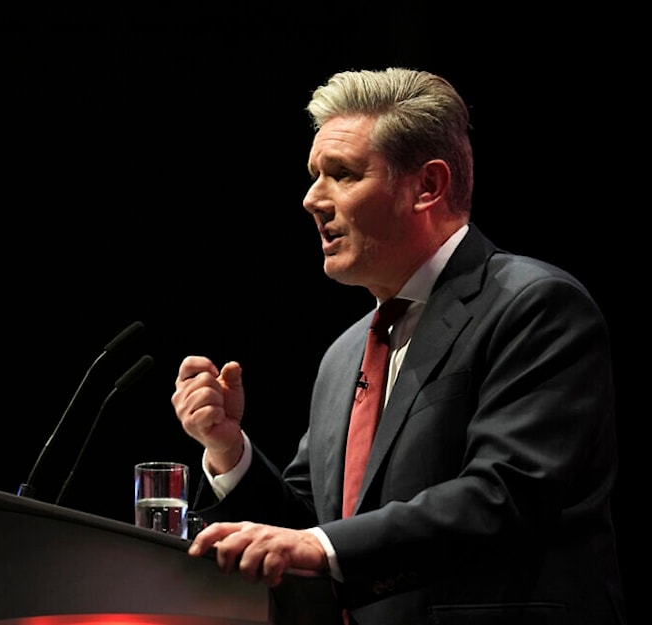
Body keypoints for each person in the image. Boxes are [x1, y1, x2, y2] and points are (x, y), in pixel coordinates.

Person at [170, 67, 626, 624]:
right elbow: (307, 529)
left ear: (426, 187)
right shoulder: (343, 357)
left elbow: (504, 494)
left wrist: (324, 547)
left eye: (342, 174)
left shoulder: (535, 306)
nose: (313, 198)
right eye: (315, 175)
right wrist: (228, 451)